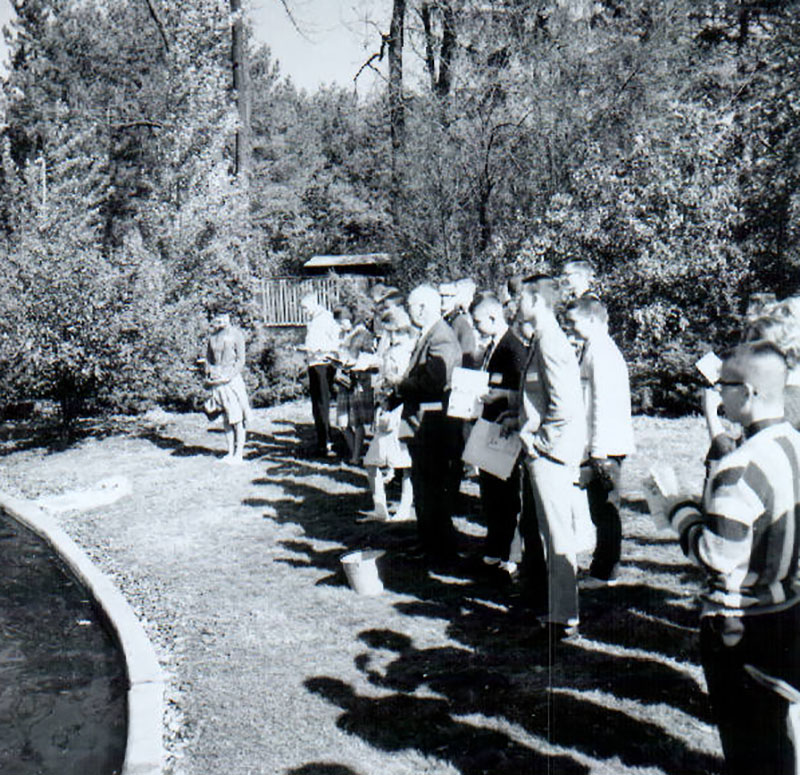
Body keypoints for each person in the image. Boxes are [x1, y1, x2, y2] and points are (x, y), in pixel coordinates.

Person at [666, 341, 800, 775]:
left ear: (747, 392)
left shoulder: (738, 467)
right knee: (778, 740)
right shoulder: (794, 445)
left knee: (750, 750)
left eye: (723, 385)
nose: (717, 395)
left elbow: (714, 557)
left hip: (738, 625)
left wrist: (676, 510)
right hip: (788, 609)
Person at [512, 275, 586, 640]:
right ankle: (559, 611)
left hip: (550, 456)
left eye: (520, 297)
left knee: (558, 535)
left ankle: (564, 617)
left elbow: (566, 406)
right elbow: (543, 400)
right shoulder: (542, 339)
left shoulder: (551, 342)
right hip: (545, 451)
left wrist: (540, 442)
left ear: (536, 301)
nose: (515, 302)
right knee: (550, 533)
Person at [390, 284, 463, 565]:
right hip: (424, 424)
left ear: (423, 307)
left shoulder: (440, 337)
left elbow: (434, 382)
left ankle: (438, 546)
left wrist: (400, 383)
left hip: (432, 426)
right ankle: (429, 541)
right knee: (424, 487)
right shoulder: (432, 334)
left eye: (410, 306)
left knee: (432, 489)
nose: (408, 311)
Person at [565, 297, 635, 586]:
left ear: (592, 321)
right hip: (600, 443)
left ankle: (606, 572)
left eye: (573, 322)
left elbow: (602, 405)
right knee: (600, 509)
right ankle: (603, 566)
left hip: (606, 444)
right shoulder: (594, 349)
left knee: (605, 509)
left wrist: (597, 451)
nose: (569, 327)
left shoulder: (603, 354)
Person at [471, 294, 527, 576]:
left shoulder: (513, 348)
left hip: (505, 426)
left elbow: (524, 393)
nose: (476, 326)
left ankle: (510, 553)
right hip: (489, 423)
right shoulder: (492, 347)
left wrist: (502, 395)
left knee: (505, 493)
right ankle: (495, 548)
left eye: (479, 322)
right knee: (490, 491)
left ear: (494, 318)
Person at [360, 306, 417, 522]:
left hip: (400, 408)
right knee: (373, 461)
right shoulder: (393, 350)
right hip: (388, 406)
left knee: (403, 463)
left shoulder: (409, 349)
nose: (388, 336)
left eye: (390, 331)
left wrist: (389, 382)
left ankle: (403, 507)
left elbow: (402, 380)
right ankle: (381, 508)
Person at [204, 311, 252, 465]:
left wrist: (229, 375)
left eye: (223, 317)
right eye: (217, 318)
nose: (220, 320)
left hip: (231, 381)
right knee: (225, 418)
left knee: (237, 418)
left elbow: (241, 360)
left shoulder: (236, 334)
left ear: (229, 317)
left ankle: (239, 454)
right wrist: (210, 373)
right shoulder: (212, 337)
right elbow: (208, 360)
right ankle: (230, 452)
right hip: (218, 382)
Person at [299, 292, 340, 457]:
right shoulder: (313, 320)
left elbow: (336, 341)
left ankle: (328, 443)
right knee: (316, 405)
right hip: (313, 363)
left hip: (323, 364)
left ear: (314, 304)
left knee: (323, 404)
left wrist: (320, 349)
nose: (304, 311)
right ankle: (321, 441)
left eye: (305, 308)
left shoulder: (326, 318)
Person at [333, 305, 375, 465]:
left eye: (342, 322)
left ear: (350, 319)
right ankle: (355, 452)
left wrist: (355, 363)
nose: (340, 326)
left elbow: (369, 357)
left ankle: (356, 456)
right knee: (342, 422)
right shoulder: (343, 335)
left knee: (356, 420)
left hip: (358, 380)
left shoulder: (364, 334)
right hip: (344, 380)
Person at [440, 280, 478, 368]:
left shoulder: (461, 324)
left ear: (455, 298)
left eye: (448, 296)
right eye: (441, 295)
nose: (443, 299)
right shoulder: (444, 320)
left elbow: (467, 358)